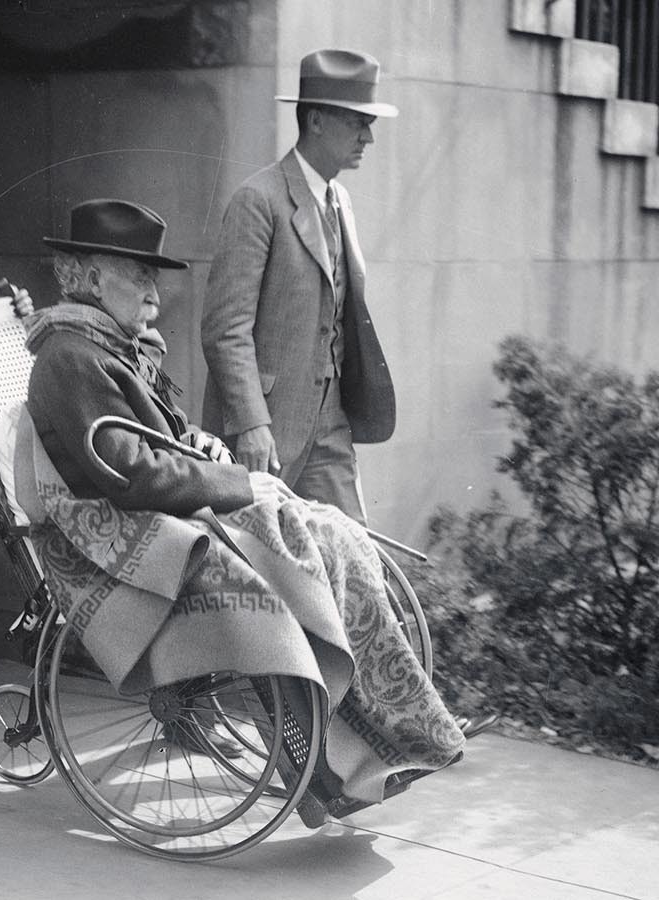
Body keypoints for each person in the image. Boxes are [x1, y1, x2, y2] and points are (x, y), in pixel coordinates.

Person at [24, 199, 486, 811]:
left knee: (332, 532)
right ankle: (331, 768)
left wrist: (209, 452)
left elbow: (158, 441)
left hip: (160, 519)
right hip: (125, 540)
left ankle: (396, 732)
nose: (152, 291)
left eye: (151, 275)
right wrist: (237, 484)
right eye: (137, 274)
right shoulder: (70, 358)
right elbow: (127, 471)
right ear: (84, 277)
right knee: (289, 553)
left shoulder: (105, 347)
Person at [201, 48, 398, 526]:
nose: (368, 136)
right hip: (265, 429)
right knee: (257, 566)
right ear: (315, 121)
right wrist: (250, 423)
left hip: (331, 424)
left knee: (355, 554)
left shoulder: (340, 200)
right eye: (357, 121)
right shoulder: (259, 200)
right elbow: (225, 328)